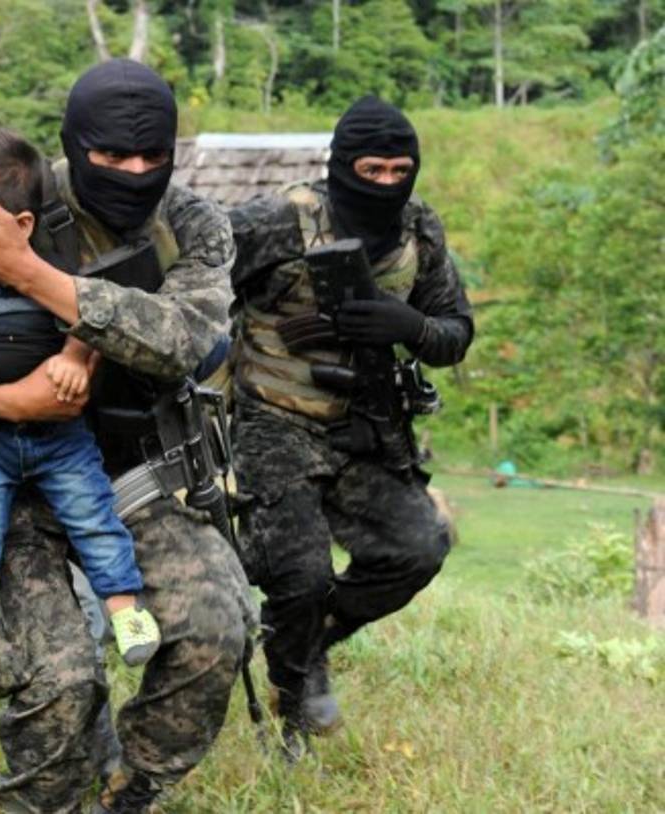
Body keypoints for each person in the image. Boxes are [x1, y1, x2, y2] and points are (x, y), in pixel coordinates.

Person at [0, 58, 254, 814]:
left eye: (154, 156)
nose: (135, 171)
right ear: (75, 145)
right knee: (60, 684)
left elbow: (183, 340)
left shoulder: (192, 223)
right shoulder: (2, 200)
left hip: (136, 478)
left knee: (216, 631)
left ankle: (132, 786)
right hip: (5, 483)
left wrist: (23, 273)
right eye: (111, 156)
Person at [227, 95, 475, 757]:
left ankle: (302, 646)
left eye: (401, 171)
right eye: (373, 169)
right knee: (300, 574)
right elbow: (195, 276)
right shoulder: (279, 220)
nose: (388, 185)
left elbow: (455, 334)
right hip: (271, 421)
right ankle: (292, 723)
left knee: (418, 548)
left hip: (366, 423)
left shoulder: (420, 230)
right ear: (342, 166)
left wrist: (409, 327)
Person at [0, 129, 161, 691]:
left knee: (94, 514)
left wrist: (76, 357)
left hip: (60, 438)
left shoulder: (52, 269)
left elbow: (88, 318)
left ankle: (124, 606)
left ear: (20, 226)